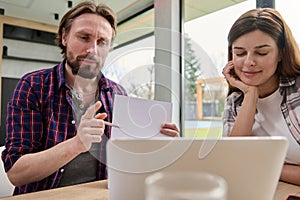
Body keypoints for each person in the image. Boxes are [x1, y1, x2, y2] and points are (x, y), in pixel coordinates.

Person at [1, 1, 179, 195]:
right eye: (84, 37)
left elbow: (129, 161)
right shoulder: (33, 86)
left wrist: (158, 146)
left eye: (102, 42)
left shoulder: (118, 93)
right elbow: (16, 173)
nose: (92, 50)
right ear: (64, 37)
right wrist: (76, 144)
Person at [222, 7, 300, 186]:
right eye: (240, 53)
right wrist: (250, 95)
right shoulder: (234, 102)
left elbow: (246, 165)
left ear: (281, 53)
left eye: (261, 52)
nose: (249, 62)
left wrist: (268, 166)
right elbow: (232, 160)